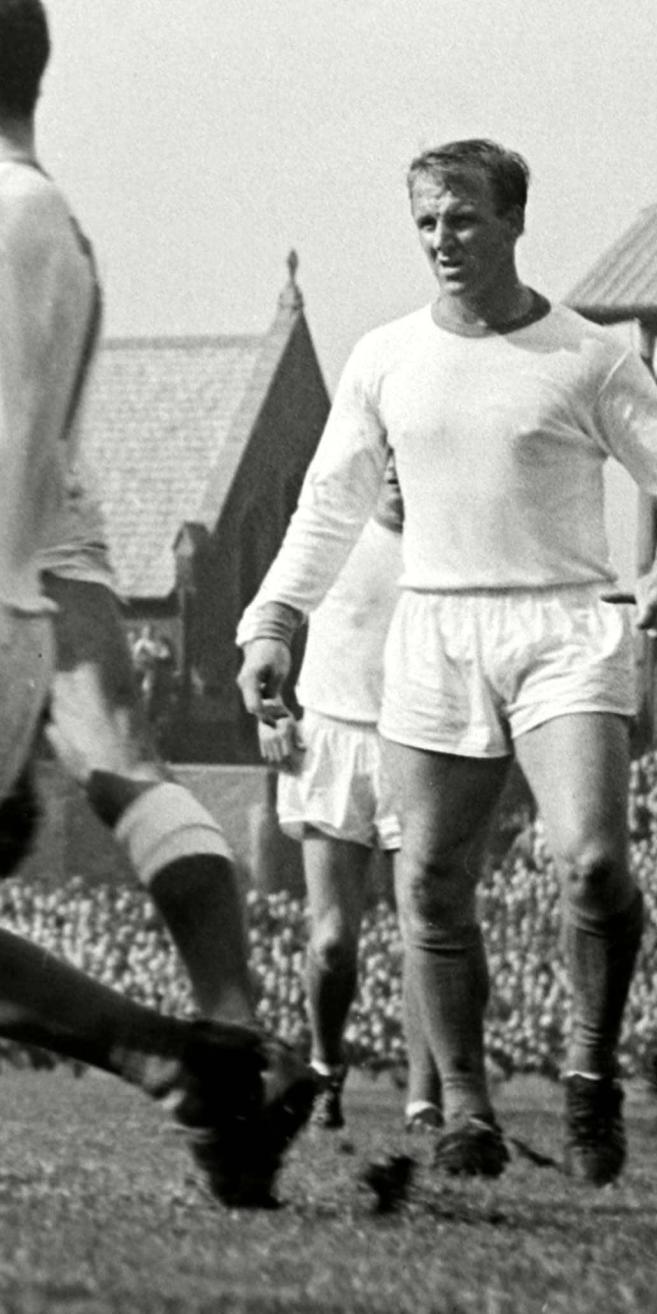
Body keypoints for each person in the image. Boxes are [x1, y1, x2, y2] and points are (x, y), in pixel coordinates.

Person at [237, 138, 657, 1185]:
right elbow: (327, 507)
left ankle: (590, 1075)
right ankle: (466, 1113)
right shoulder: (383, 357)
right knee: (432, 888)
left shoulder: (586, 355)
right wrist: (272, 621)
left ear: (511, 221)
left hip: (562, 622)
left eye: (462, 218)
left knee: (591, 862)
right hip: (437, 627)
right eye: (425, 222)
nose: (442, 240)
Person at [0, 0, 315, 1207]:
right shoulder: (55, 229)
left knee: (126, 770)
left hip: (11, 592)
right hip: (44, 575)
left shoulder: (14, 222)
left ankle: (193, 1059)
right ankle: (215, 1044)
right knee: (130, 771)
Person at [255, 465, 443, 1133]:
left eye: (408, 460)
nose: (398, 474)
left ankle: (425, 1100)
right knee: (333, 941)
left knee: (425, 927)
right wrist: (270, 713)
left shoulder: (447, 548)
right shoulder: (329, 537)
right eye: (386, 463)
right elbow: (267, 637)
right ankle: (327, 1068)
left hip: (415, 744)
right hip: (330, 740)